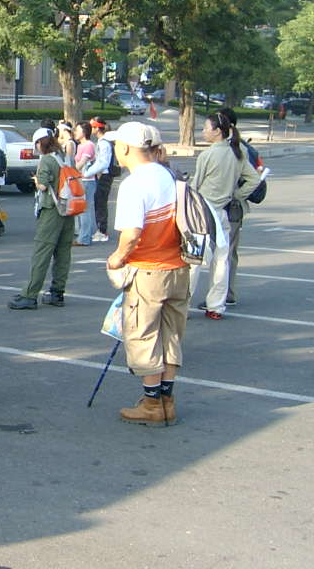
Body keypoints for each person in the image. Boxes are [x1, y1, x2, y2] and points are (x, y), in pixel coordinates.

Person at [105, 122, 190, 428]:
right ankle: (167, 401)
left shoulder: (135, 183)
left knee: (143, 337)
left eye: (117, 145)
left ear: (127, 148)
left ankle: (152, 404)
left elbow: (131, 234)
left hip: (148, 270)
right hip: (178, 267)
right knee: (170, 336)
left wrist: (117, 258)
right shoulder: (169, 174)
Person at [188, 112, 258, 320]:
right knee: (221, 260)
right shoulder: (237, 153)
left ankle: (182, 304)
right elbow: (254, 179)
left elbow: (195, 186)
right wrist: (237, 195)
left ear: (217, 131)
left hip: (202, 212)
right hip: (222, 211)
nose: (203, 131)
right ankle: (216, 306)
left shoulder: (207, 155)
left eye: (205, 128)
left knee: (193, 261)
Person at [8, 128, 74, 310]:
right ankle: (57, 292)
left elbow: (43, 186)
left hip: (52, 209)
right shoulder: (64, 157)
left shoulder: (47, 160)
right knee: (63, 253)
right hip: (69, 208)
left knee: (42, 252)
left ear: (39, 143)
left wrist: (37, 181)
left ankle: (29, 295)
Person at [217, 107, 262, 306]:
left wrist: (237, 195)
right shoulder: (227, 147)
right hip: (225, 206)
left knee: (226, 252)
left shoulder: (238, 149)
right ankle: (225, 293)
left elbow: (253, 179)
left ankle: (225, 293)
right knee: (227, 252)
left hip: (231, 207)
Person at [87, 116, 115, 243]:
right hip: (102, 175)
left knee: (100, 203)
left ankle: (102, 231)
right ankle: (101, 230)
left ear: (97, 128)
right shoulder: (103, 141)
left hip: (104, 175)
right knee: (99, 202)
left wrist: (89, 172)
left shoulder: (104, 143)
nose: (91, 129)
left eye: (92, 127)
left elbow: (103, 162)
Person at [73, 122, 97, 246]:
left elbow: (82, 163)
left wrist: (70, 172)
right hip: (81, 179)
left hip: (87, 180)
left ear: (84, 132)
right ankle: (84, 236)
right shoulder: (80, 146)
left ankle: (85, 238)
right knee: (82, 209)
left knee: (85, 210)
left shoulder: (89, 145)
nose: (75, 133)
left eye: (77, 130)